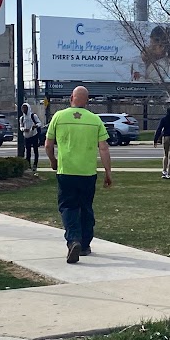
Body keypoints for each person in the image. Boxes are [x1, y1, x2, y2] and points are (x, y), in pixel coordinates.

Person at [43, 85, 113, 264]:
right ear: (87, 101)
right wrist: (108, 172)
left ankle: (73, 239)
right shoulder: (95, 120)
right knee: (86, 207)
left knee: (68, 207)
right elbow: (104, 148)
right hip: (88, 173)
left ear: (71, 98)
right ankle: (85, 245)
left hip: (66, 171)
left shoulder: (59, 117)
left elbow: (48, 145)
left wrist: (53, 161)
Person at [18, 101, 42, 170]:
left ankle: (35, 165)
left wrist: (35, 126)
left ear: (28, 108)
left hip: (34, 135)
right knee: (28, 151)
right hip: (26, 136)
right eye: (23, 108)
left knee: (35, 150)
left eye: (25, 108)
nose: (24, 110)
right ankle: (28, 165)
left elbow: (39, 123)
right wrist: (23, 129)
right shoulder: (22, 118)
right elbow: (21, 126)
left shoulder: (33, 116)